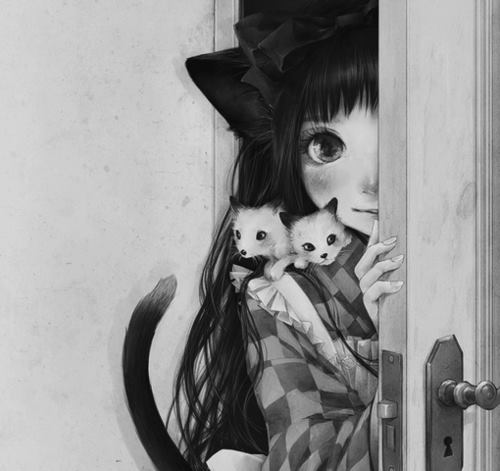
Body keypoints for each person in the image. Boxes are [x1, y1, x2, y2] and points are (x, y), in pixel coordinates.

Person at [123, 1, 404, 470]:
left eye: (397, 134)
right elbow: (306, 455)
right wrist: (391, 341)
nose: (370, 183)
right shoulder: (283, 297)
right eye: (326, 147)